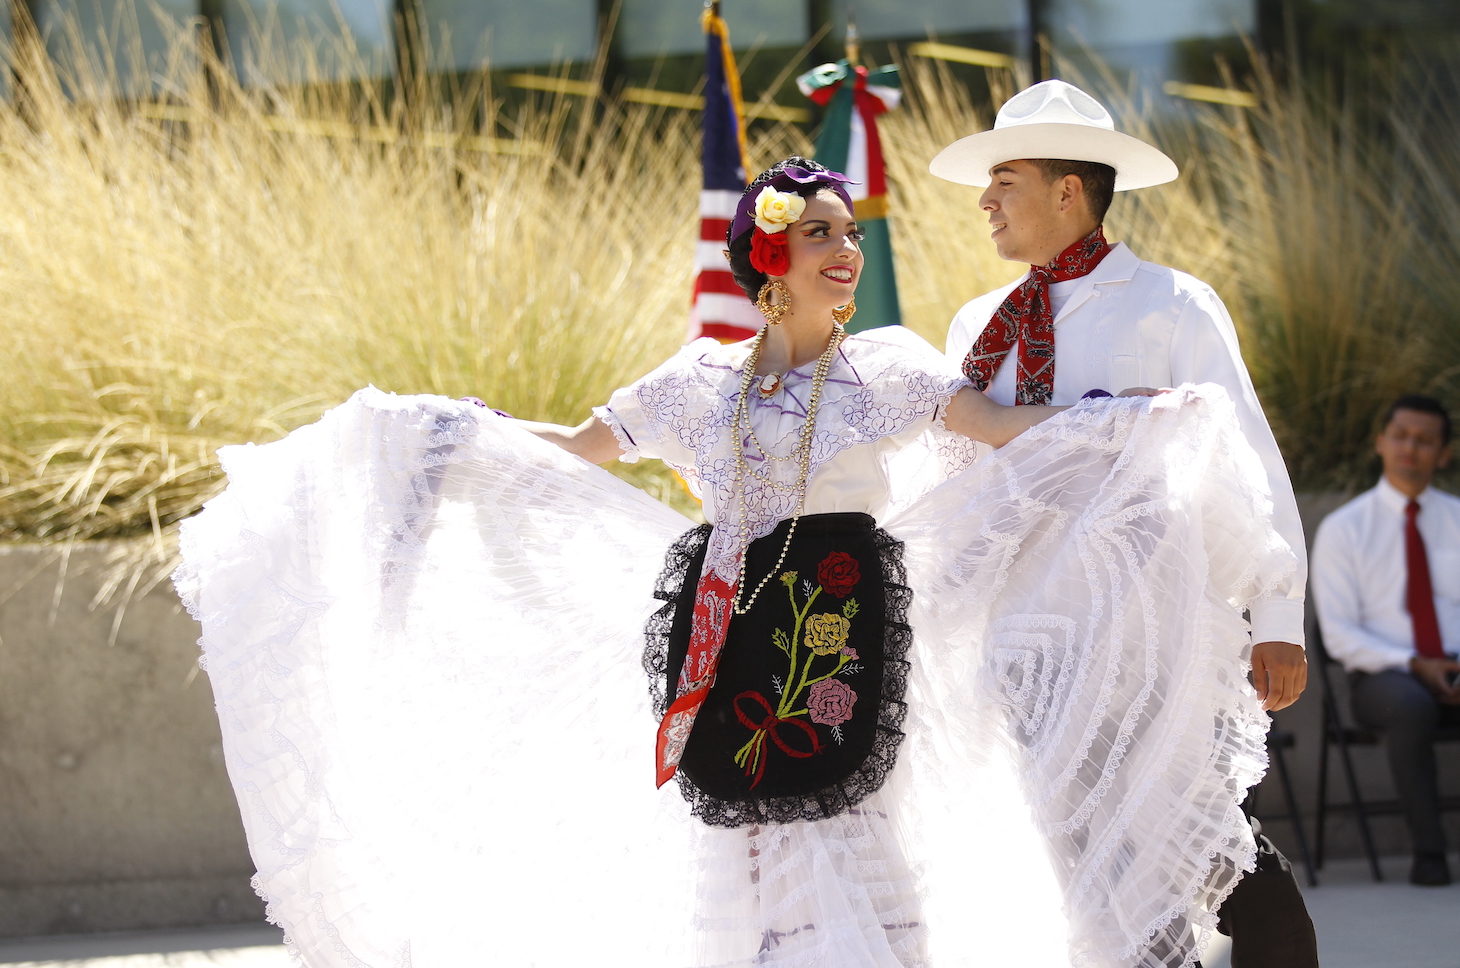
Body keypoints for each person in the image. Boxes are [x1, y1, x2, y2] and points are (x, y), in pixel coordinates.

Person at [176, 158, 1296, 968]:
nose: (844, 248)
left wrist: (1139, 417)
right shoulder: (697, 383)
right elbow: (572, 449)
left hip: (842, 627)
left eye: (848, 230)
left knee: (853, 837)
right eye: (819, 232)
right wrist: (446, 432)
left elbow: (1013, 433)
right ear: (768, 257)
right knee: (743, 855)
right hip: (725, 630)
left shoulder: (891, 366)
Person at [930, 80, 1318, 967]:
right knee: (1077, 854)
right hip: (1027, 632)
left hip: (1151, 627)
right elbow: (962, 477)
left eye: (1008, 179)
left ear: (1069, 191)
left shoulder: (1172, 304)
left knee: (1206, 837)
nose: (986, 200)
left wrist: (1277, 619)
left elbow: (1250, 461)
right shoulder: (979, 326)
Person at [1312, 394, 1460, 886]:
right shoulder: (1344, 529)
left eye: (1425, 441)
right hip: (1385, 678)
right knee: (1410, 705)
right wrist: (1415, 663)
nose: (1410, 448)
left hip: (1455, 663)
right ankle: (1430, 853)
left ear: (1444, 453)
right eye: (1400, 436)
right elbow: (1338, 636)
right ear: (1380, 442)